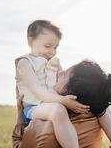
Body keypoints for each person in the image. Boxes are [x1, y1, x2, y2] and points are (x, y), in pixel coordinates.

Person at [14, 20, 90, 148]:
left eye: (55, 47)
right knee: (58, 110)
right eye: (48, 46)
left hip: (53, 103)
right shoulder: (25, 62)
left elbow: (63, 84)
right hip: (33, 108)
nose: (52, 52)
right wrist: (62, 101)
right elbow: (36, 89)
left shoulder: (55, 63)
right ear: (30, 41)